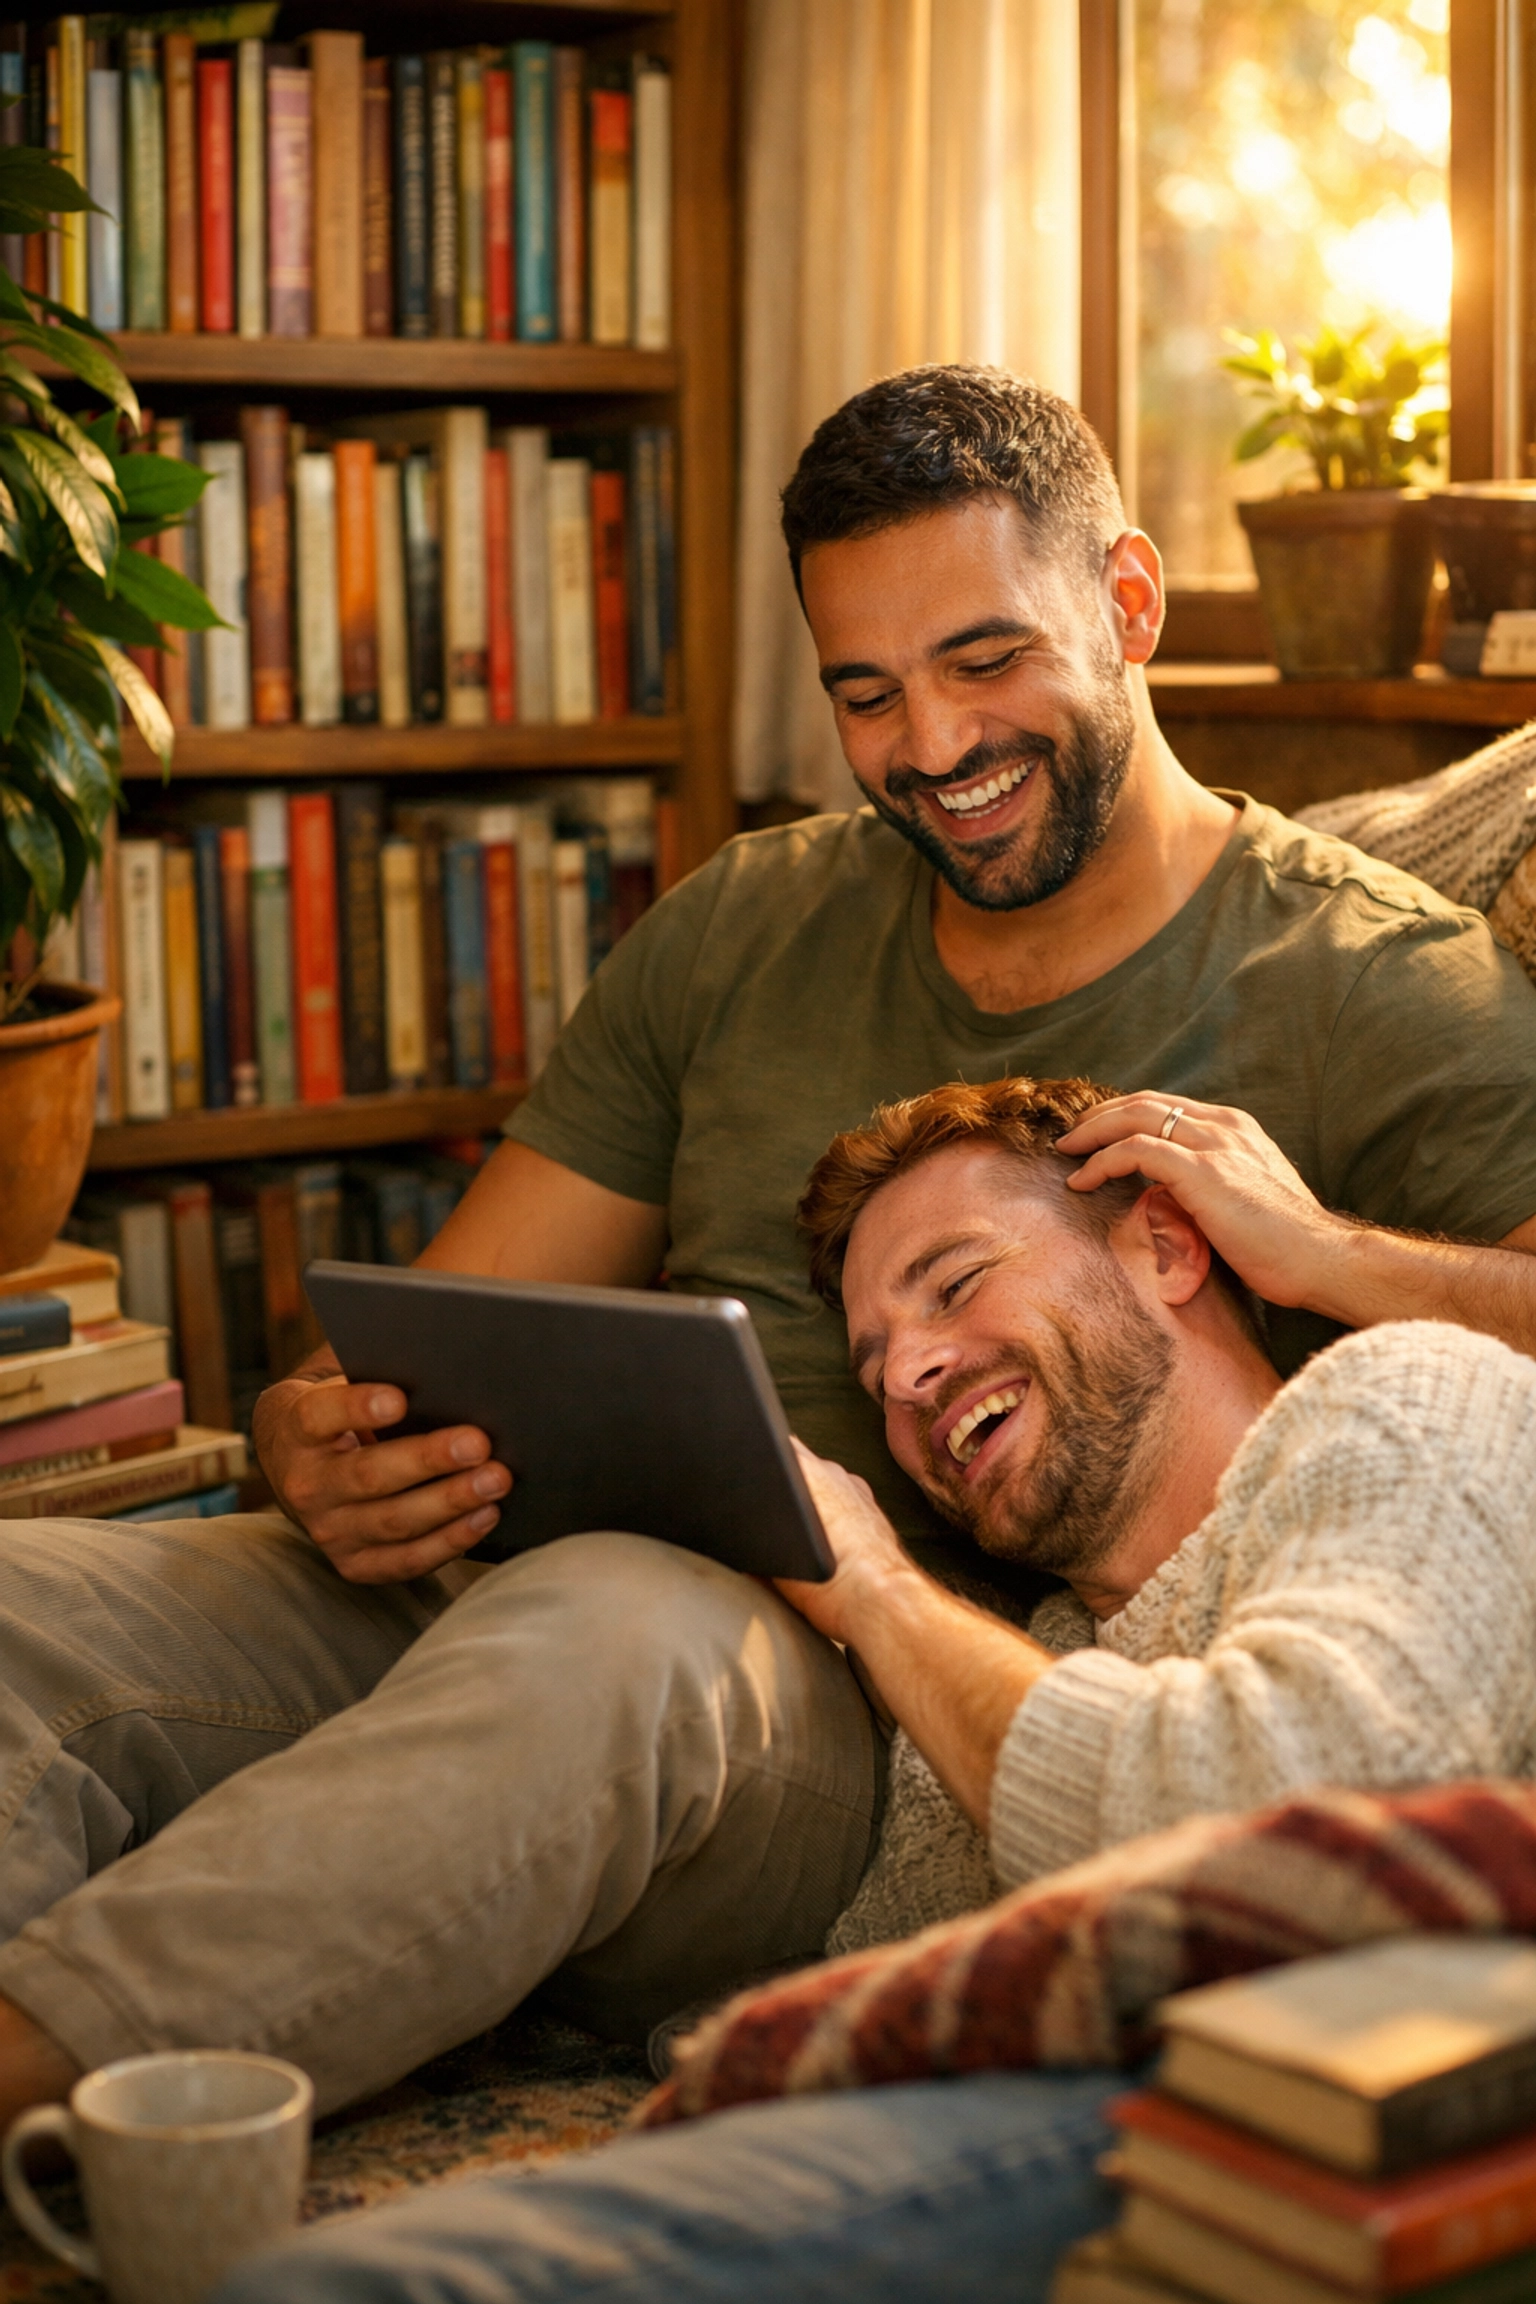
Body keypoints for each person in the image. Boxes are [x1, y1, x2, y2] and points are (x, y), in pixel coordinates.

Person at [0, 362, 1529, 2126]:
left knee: (611, 1625)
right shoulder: (745, 918)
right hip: (513, 1573)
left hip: (856, 1719)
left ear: (1127, 602)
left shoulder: (1363, 980)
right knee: (37, 1603)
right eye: (867, 695)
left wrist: (1326, 1249)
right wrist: (311, 1433)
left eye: (984, 661)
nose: (934, 751)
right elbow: (426, 1331)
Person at [209, 1071, 1536, 2304]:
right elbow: (816, 2011)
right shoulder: (1002, 1675)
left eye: (955, 1284)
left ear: (1171, 1248)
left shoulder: (1408, 1399)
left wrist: (873, 1588)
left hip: (1337, 2101)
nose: (906, 1375)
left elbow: (1282, 1833)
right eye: (873, 1361)